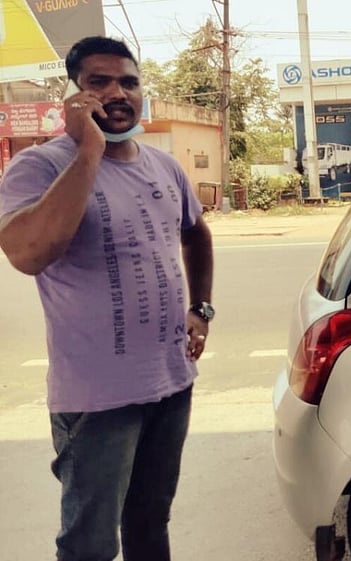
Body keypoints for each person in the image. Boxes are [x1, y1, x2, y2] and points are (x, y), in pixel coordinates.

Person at [0, 36, 214, 561]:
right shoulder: (37, 169)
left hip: (170, 386)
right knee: (90, 544)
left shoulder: (164, 168)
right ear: (73, 93)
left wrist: (201, 307)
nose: (117, 92)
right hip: (97, 402)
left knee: (150, 524)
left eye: (129, 81)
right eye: (99, 82)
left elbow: (196, 232)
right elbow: (28, 253)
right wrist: (89, 149)